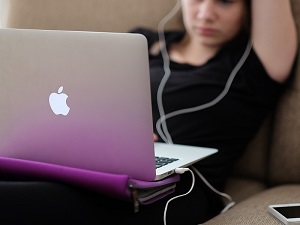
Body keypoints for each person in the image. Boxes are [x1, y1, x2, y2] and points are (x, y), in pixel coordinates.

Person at [0, 0, 297, 225]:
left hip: (177, 185)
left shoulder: (254, 64)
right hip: (103, 164)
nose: (206, 13)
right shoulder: (140, 43)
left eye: (225, 1)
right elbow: (85, 102)